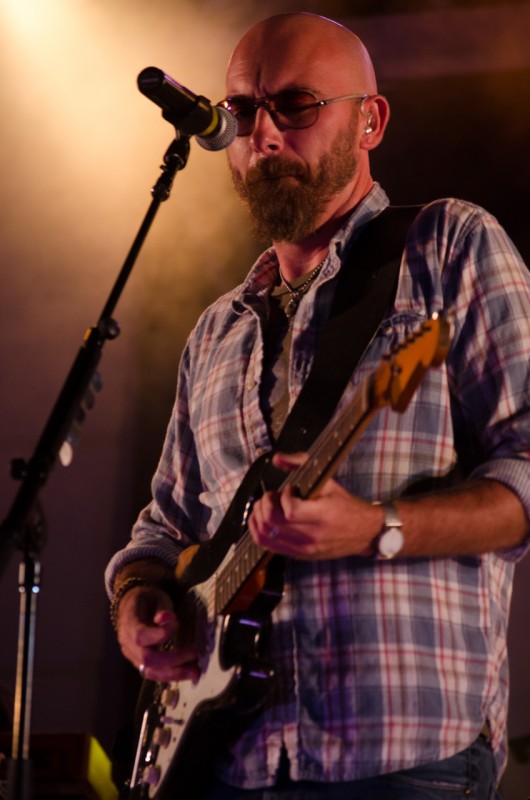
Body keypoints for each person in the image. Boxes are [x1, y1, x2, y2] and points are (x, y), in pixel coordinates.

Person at [105, 12, 530, 799]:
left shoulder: (448, 247)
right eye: (240, 111)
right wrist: (140, 602)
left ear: (370, 119)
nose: (261, 134)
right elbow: (162, 529)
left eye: (296, 105)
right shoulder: (217, 330)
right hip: (226, 757)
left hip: (403, 754)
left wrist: (378, 528)